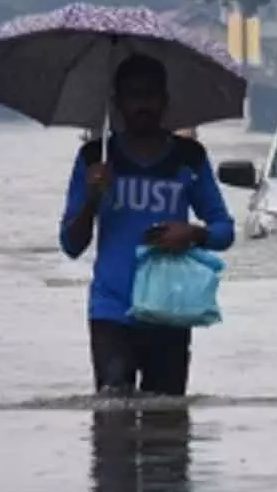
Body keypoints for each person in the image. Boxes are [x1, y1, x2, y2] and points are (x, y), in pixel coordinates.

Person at [59, 53, 235, 397]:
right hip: (111, 310)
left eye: (150, 95)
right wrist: (93, 198)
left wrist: (193, 233)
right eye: (133, 95)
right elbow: (70, 243)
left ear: (165, 101)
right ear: (117, 103)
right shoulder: (95, 159)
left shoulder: (189, 157)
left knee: (168, 429)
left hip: (169, 310)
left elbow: (224, 230)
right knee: (112, 425)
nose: (143, 104)